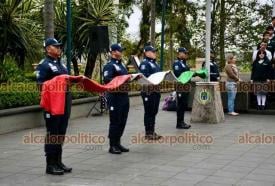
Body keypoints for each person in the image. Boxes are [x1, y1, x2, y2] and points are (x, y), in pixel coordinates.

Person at [36, 38, 72, 175]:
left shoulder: (61, 64)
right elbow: (40, 85)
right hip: (53, 103)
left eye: (59, 46)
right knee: (53, 133)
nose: (59, 48)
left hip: (64, 101)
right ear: (48, 49)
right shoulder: (44, 65)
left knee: (61, 133)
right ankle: (50, 165)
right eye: (55, 46)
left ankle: (58, 161)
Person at [103, 44, 130, 154]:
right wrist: (121, 80)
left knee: (122, 120)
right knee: (115, 121)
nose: (121, 52)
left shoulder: (122, 65)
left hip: (124, 96)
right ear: (113, 52)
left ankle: (118, 142)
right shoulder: (109, 66)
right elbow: (107, 79)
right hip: (114, 96)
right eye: (120, 50)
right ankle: (112, 145)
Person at [139, 45, 162, 140]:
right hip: (148, 91)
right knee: (149, 111)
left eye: (155, 51)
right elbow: (144, 77)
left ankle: (152, 131)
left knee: (154, 111)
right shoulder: (145, 63)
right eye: (153, 51)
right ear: (147, 53)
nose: (155, 53)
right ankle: (148, 132)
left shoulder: (155, 64)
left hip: (156, 90)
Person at [172, 47, 191, 129]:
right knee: (180, 105)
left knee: (183, 104)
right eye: (185, 53)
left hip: (185, 86)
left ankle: (182, 121)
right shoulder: (177, 63)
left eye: (186, 53)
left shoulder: (184, 63)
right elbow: (178, 74)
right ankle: (179, 123)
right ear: (180, 53)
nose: (186, 54)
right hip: (180, 86)